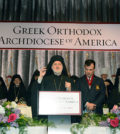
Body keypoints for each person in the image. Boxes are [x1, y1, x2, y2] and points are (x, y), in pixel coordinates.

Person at [31, 55, 72, 120]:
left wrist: (69, 89)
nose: (57, 66)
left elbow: (73, 100)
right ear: (51, 66)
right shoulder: (45, 79)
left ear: (62, 66)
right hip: (48, 113)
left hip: (64, 113)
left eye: (59, 64)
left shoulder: (68, 80)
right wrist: (40, 77)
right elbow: (35, 92)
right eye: (55, 64)